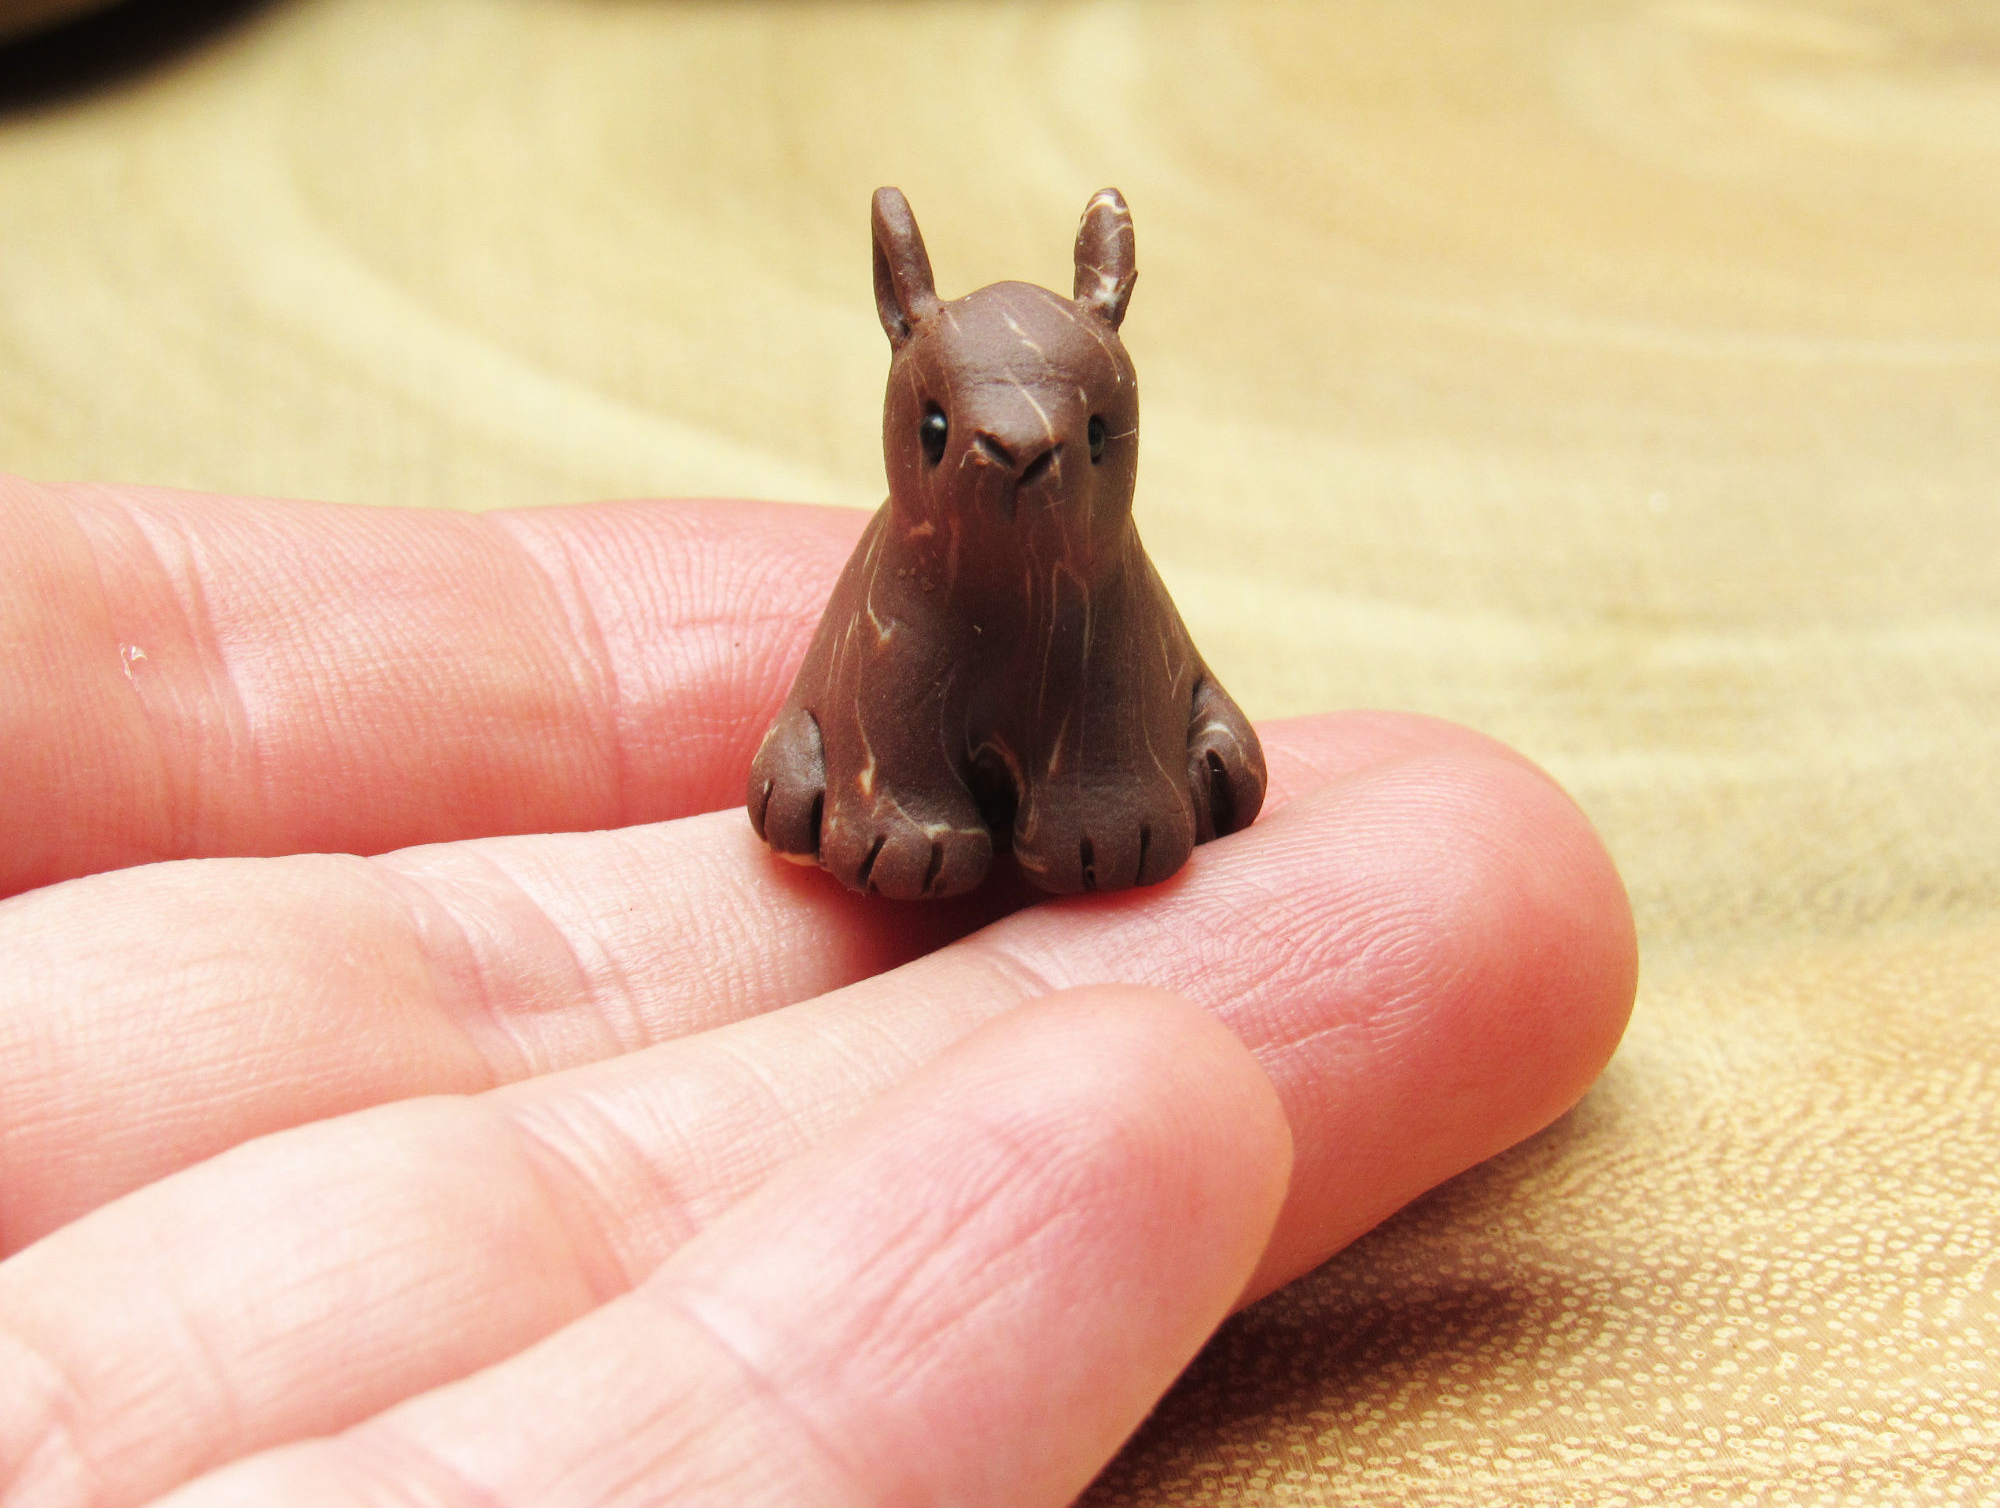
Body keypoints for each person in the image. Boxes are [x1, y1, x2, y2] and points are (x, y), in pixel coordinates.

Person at [0, 480, 1636, 1508]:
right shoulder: (897, 582)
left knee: (1135, 741)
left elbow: (1154, 683)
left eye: (1081, 436)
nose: (1018, 461)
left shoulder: (1111, 588)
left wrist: (1134, 765)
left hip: (1118, 731)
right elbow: (865, 693)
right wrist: (872, 780)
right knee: (883, 732)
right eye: (952, 433)